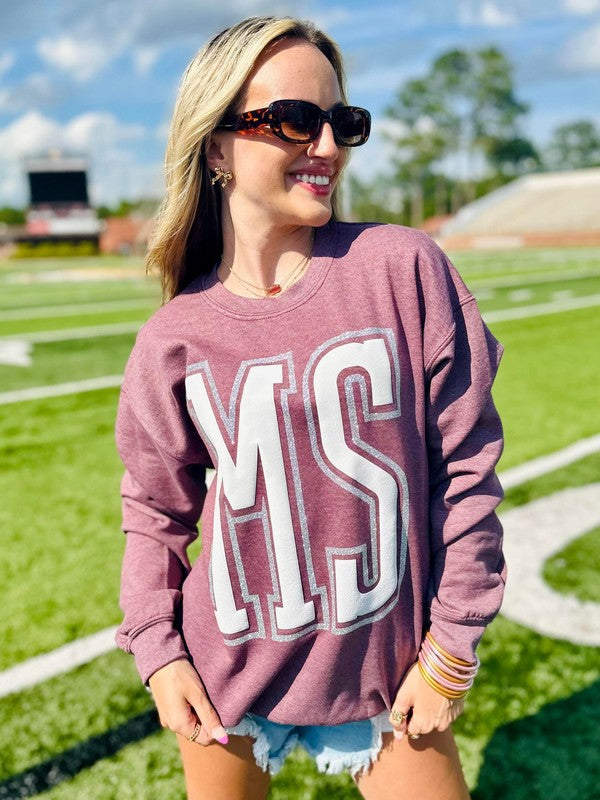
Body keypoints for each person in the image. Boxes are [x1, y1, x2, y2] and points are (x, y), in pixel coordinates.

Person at [115, 15, 505, 800]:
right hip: (224, 676)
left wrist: (452, 647)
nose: (327, 146)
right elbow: (155, 511)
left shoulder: (402, 268)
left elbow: (466, 473)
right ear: (216, 145)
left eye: (342, 121)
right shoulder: (174, 337)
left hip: (387, 671)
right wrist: (159, 653)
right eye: (295, 120)